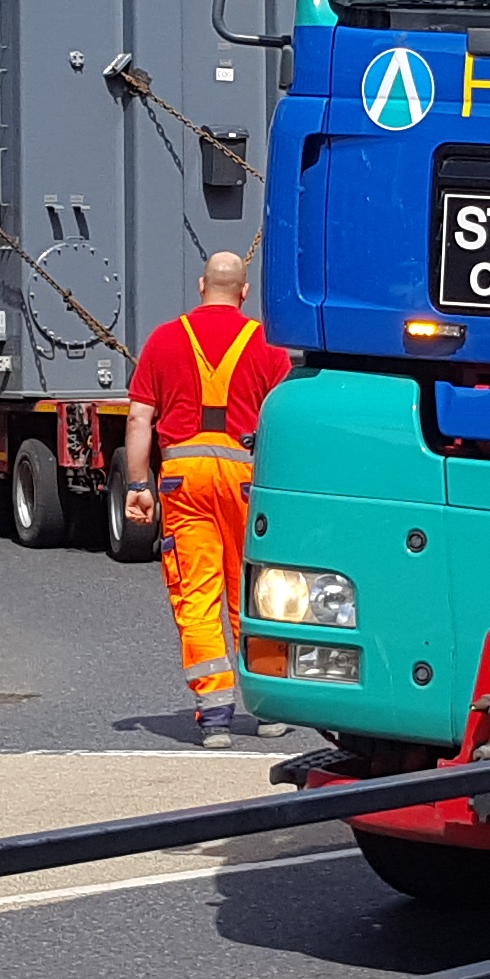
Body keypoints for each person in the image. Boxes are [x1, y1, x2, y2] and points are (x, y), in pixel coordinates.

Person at [123, 251, 291, 746]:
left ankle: (215, 715)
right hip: (246, 480)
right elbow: (284, 423)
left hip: (183, 481)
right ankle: (268, 706)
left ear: (201, 286)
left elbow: (138, 420)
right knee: (256, 595)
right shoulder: (267, 344)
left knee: (196, 596)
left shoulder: (164, 340)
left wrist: (138, 485)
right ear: (243, 292)